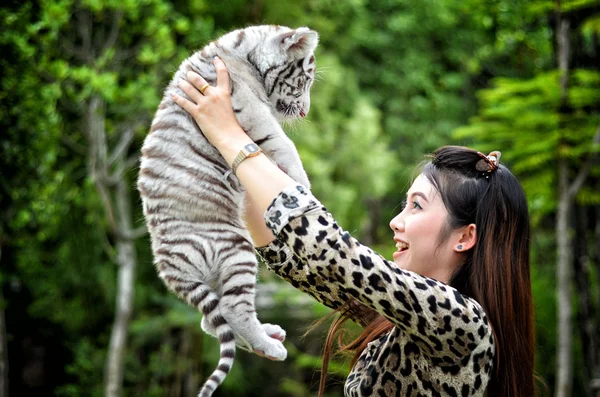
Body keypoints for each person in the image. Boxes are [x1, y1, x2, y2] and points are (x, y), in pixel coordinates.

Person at [171, 57, 535, 397]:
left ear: (465, 236)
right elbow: (303, 266)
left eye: (417, 206)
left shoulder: (463, 324)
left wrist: (231, 136)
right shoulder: (405, 319)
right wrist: (232, 165)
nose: (397, 220)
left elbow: (334, 256)